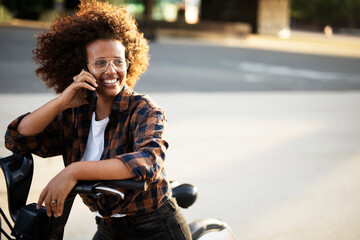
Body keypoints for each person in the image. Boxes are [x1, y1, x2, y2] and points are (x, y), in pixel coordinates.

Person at [4, 0, 191, 239]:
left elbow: (147, 162)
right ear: (83, 68)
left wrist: (73, 171)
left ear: (128, 63)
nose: (111, 71)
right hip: (108, 228)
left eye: (118, 61)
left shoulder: (144, 109)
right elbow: (18, 139)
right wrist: (62, 101)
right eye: (100, 63)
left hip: (156, 228)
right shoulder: (74, 114)